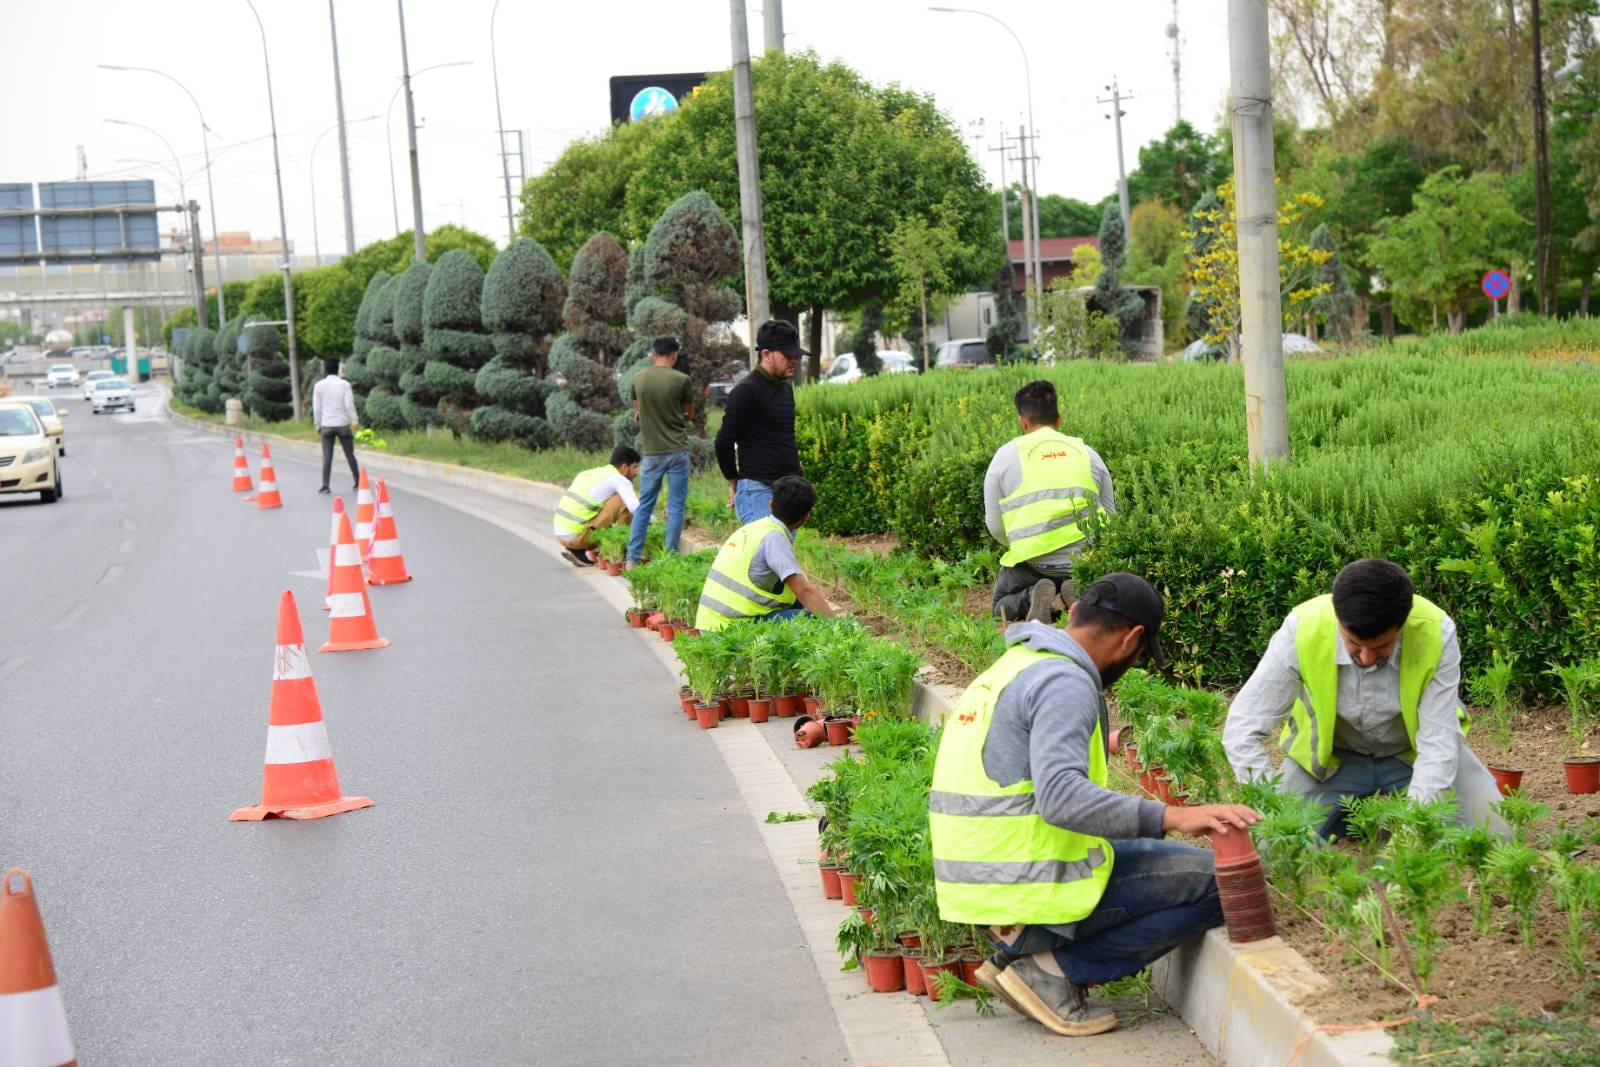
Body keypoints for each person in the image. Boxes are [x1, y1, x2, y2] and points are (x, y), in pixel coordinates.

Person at [930, 573, 1260, 1038]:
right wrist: (1175, 817)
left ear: (1075, 614)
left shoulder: (1018, 664)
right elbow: (1061, 798)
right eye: (1142, 658)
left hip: (986, 884)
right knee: (1217, 883)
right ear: (1132, 639)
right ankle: (1052, 971)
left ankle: (1014, 954)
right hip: (1028, 885)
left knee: (1154, 865)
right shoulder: (1065, 681)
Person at [1222, 558, 1509, 838]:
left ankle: (1354, 816)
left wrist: (1411, 834)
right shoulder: (1303, 628)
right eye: (1354, 644)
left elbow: (1438, 743)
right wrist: (1273, 811)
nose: (1367, 657)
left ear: (1403, 624)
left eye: (1382, 645)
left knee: (1498, 833)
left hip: (1411, 754)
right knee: (1273, 841)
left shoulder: (1436, 631)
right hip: (1333, 760)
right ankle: (1346, 814)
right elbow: (1243, 728)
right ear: (1338, 619)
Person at [985, 380, 1115, 625]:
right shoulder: (1088, 454)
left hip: (1034, 563)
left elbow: (995, 526)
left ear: (1023, 422)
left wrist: (1023, 546)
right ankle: (1077, 594)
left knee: (999, 606)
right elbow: (1110, 514)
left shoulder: (1004, 457)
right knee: (1090, 581)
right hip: (1083, 561)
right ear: (1059, 419)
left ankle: (1033, 594)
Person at [694, 475, 837, 630]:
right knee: (814, 621)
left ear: (770, 504)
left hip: (709, 622)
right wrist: (839, 627)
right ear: (805, 518)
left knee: (794, 602)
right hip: (730, 629)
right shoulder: (774, 538)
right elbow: (805, 591)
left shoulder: (754, 528)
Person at [714, 319, 806, 524]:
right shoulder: (747, 390)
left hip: (788, 490)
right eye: (787, 355)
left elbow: (784, 437)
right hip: (758, 490)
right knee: (763, 555)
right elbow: (724, 441)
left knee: (781, 555)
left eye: (796, 355)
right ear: (766, 354)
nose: (794, 360)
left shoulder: (785, 388)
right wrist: (732, 480)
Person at [625, 336, 696, 566]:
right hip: (677, 450)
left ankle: (632, 559)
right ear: (674, 356)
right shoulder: (682, 380)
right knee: (675, 506)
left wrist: (643, 414)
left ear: (653, 355)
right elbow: (688, 415)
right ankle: (670, 559)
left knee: (645, 503)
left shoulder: (638, 379)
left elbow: (636, 409)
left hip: (652, 452)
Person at [553, 446, 641, 567]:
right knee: (622, 500)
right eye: (635, 467)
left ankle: (580, 550)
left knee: (611, 501)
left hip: (560, 535)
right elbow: (637, 510)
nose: (637, 472)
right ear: (625, 468)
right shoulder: (619, 480)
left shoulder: (590, 473)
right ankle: (623, 550)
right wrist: (655, 523)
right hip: (576, 537)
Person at [313, 357, 360, 493]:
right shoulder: (344, 384)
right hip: (343, 425)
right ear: (338, 368)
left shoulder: (319, 385)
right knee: (350, 455)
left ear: (325, 369)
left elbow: (317, 408)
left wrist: (317, 424)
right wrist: (355, 421)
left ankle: (325, 486)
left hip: (326, 426)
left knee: (327, 457)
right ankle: (357, 482)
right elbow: (349, 405)